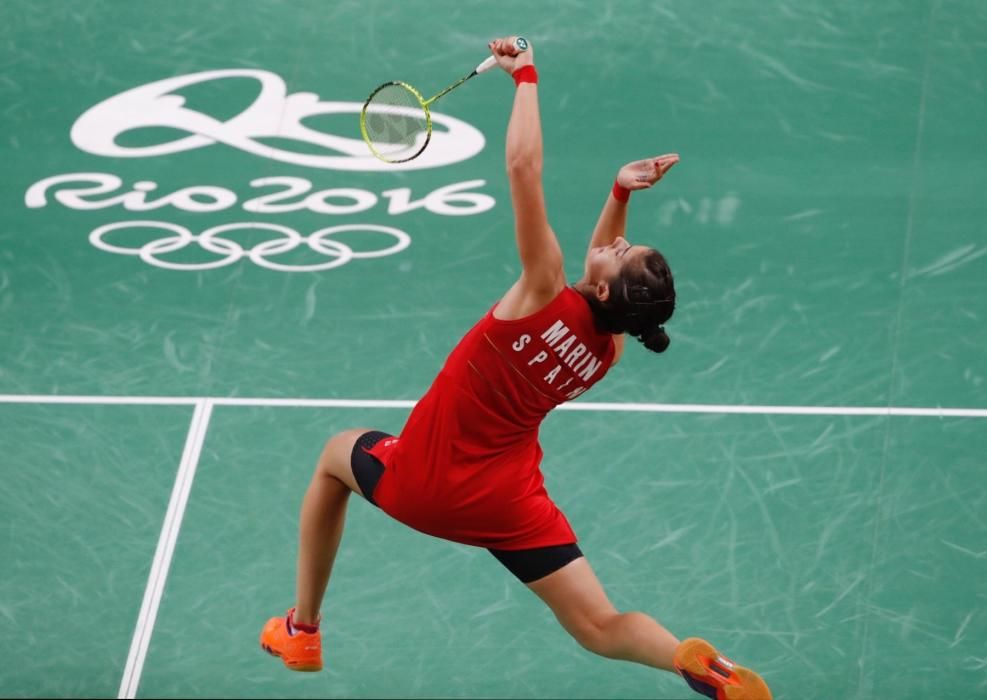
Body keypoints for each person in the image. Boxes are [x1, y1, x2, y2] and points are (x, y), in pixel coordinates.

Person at [260, 36, 772, 700]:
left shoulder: (538, 290)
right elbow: (599, 278)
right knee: (597, 623)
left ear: (605, 289)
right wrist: (619, 190)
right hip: (506, 503)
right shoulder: (606, 351)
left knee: (335, 457)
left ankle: (302, 629)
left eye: (622, 251)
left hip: (426, 479)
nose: (615, 241)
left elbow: (523, 167)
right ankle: (692, 663)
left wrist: (524, 76)